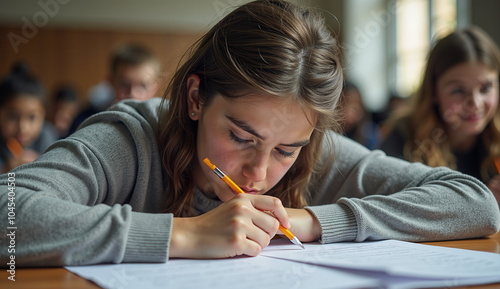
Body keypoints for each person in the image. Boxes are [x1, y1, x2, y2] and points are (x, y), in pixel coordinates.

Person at [0, 0, 498, 267]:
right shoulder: (133, 137)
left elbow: (474, 201)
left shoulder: (311, 155)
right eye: (240, 136)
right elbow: (9, 213)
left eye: (285, 149)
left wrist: (307, 223)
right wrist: (187, 235)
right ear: (196, 99)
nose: (260, 173)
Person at [379, 26, 500, 204]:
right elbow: (386, 210)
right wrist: (481, 206)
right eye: (458, 90)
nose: (475, 103)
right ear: (433, 91)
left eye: (485, 88)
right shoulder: (404, 138)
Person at [68, 43, 161, 134]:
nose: (133, 93)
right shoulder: (86, 119)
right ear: (110, 82)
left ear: (155, 87)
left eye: (144, 85)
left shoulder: (161, 125)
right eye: (124, 84)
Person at [0, 62, 58, 174]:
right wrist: (5, 172)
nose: (23, 128)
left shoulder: (47, 135)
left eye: (32, 117)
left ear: (44, 115)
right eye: (12, 116)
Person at [341, 81, 380, 149]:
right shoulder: (327, 135)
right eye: (346, 104)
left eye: (356, 105)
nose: (351, 111)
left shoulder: (369, 133)